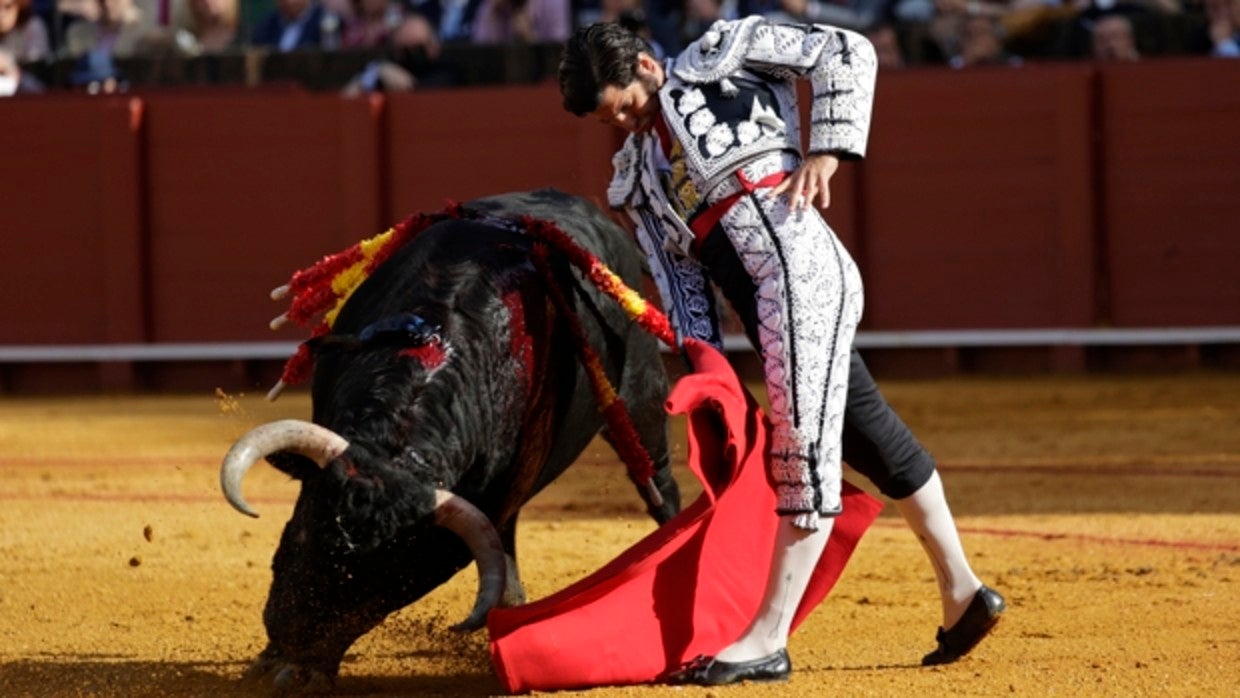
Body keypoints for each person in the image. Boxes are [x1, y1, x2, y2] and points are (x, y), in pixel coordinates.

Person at [558, 19, 1005, 685]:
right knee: (867, 433)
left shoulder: (722, 56)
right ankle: (964, 594)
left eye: (624, 105)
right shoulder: (637, 177)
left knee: (801, 449)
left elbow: (844, 50)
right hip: (766, 303)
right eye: (609, 120)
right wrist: (704, 366)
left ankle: (767, 637)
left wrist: (827, 152)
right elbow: (680, 283)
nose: (624, 122)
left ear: (647, 66)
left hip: (801, 272)